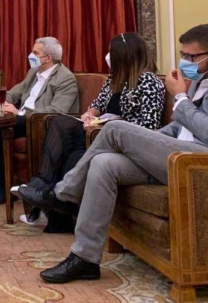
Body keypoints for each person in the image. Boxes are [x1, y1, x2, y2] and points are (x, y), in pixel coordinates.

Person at [20, 24, 208, 284]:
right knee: (103, 163)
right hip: (178, 156)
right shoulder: (202, 80)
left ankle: (62, 194)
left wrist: (180, 97)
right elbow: (179, 127)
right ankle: (85, 258)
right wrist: (150, 141)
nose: (185, 62)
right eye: (184, 55)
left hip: (206, 162)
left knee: (115, 129)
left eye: (191, 57)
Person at [16, 32, 165, 232]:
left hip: (121, 140)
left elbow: (148, 126)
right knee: (61, 125)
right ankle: (45, 192)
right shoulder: (116, 78)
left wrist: (107, 125)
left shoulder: (149, 82)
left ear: (125, 55)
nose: (108, 56)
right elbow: (98, 104)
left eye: (112, 52)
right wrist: (89, 115)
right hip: (97, 133)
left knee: (74, 154)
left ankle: (45, 194)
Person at [0, 37, 79, 206]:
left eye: (35, 52)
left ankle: (2, 187)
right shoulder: (33, 73)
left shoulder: (65, 78)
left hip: (38, 123)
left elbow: (57, 111)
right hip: (19, 117)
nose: (31, 55)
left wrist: (21, 112)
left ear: (48, 58)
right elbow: (14, 93)